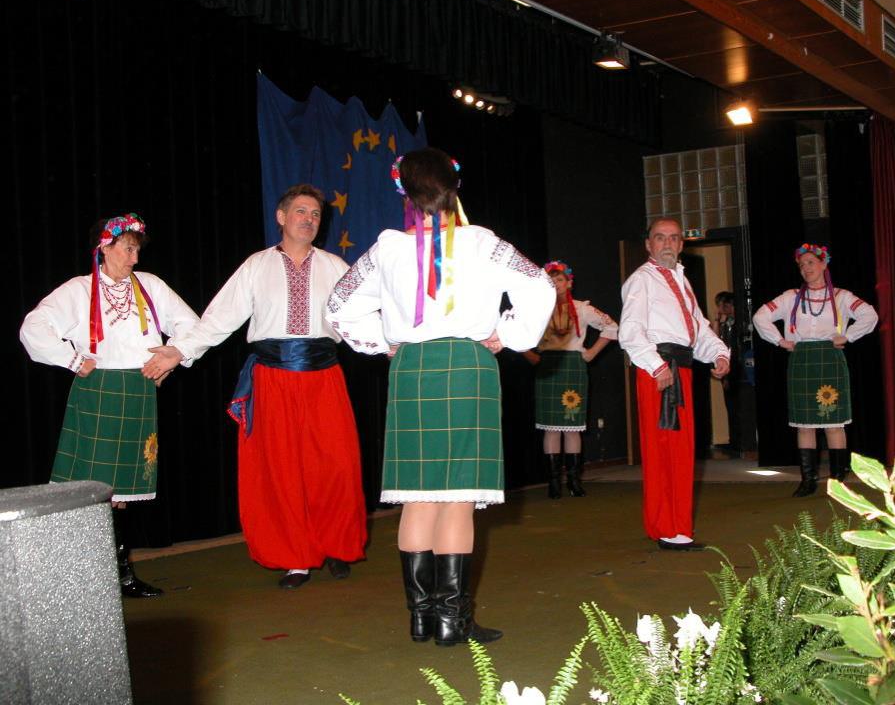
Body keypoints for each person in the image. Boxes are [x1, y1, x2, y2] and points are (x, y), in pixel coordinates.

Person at [325, 148, 554, 646]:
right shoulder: (482, 243)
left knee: (417, 497)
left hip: (412, 369)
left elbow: (337, 305)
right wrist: (508, 335)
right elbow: (539, 284)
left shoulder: (386, 248)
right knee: (456, 501)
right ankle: (453, 621)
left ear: (404, 192)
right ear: (453, 187)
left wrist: (383, 343)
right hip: (469, 367)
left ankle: (421, 618)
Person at [142, 185, 367, 588]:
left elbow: (365, 319)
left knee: (335, 465)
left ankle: (335, 544)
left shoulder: (336, 266)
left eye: (315, 214)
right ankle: (295, 557)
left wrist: (397, 344)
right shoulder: (256, 266)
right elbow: (219, 318)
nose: (308, 220)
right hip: (273, 379)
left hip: (324, 378)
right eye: (300, 212)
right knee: (281, 468)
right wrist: (179, 350)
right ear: (281, 218)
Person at [20, 213, 199, 598]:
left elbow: (191, 325)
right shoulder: (79, 289)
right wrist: (70, 358)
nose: (135, 259)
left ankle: (118, 576)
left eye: (137, 250)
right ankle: (80, 577)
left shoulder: (150, 286)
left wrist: (174, 355)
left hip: (138, 391)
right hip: (99, 390)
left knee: (120, 495)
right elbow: (33, 327)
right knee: (93, 492)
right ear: (104, 247)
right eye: (128, 249)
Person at [619, 218, 729, 551]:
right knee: (664, 449)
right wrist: (655, 366)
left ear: (682, 244)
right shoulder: (641, 280)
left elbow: (698, 328)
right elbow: (630, 331)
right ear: (649, 244)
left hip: (681, 368)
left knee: (679, 449)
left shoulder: (681, 281)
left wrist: (719, 354)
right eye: (660, 238)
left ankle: (667, 525)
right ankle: (669, 528)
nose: (667, 243)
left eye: (674, 238)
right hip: (660, 370)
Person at [752, 243, 878, 497]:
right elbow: (760, 316)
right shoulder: (790, 297)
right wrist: (780, 341)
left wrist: (848, 336)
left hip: (830, 359)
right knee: (804, 424)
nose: (806, 268)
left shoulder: (841, 296)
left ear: (823, 264)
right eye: (801, 265)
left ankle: (838, 482)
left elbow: (869, 314)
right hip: (801, 360)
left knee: (834, 424)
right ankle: (808, 480)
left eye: (810, 263)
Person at [523, 260, 617, 498]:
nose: (556, 285)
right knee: (551, 429)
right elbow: (513, 329)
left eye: (560, 280)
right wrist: (532, 356)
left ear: (569, 282)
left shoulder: (582, 308)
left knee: (572, 427)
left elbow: (612, 327)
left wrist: (592, 353)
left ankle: (574, 481)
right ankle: (554, 483)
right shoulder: (537, 308)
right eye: (551, 281)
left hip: (573, 367)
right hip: (548, 368)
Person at [711, 290, 744, 457]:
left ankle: (740, 442)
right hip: (728, 369)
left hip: (737, 369)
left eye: (723, 305)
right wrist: (717, 321)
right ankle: (734, 441)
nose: (721, 308)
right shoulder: (726, 323)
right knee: (730, 407)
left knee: (737, 407)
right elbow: (716, 340)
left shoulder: (739, 323)